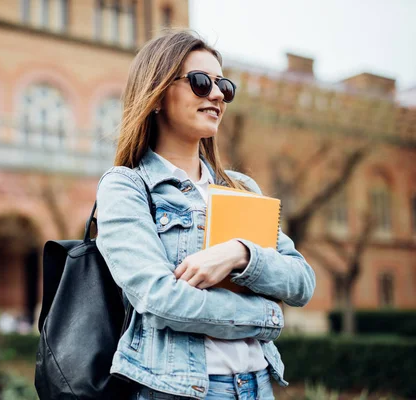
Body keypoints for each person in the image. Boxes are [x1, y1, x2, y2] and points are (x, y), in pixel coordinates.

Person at [95, 30, 316, 400]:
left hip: (258, 384)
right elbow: (158, 298)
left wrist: (241, 254)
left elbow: (301, 280)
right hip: (180, 389)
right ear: (157, 94)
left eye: (223, 86)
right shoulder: (127, 187)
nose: (216, 95)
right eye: (200, 82)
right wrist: (267, 317)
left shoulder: (241, 187)